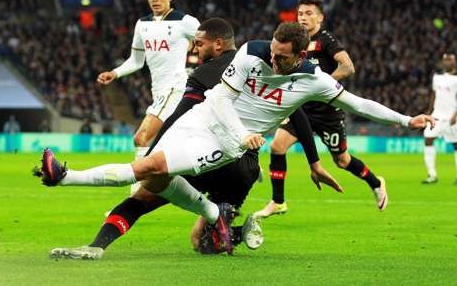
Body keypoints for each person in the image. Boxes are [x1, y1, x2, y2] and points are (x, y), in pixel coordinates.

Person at [38, 22, 435, 257]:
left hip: (227, 146)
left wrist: (406, 119)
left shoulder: (313, 79)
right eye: (273, 53)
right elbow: (223, 100)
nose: (272, 61)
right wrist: (243, 131)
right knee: (153, 182)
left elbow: (359, 103)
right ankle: (217, 218)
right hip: (208, 121)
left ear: (299, 55)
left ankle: (62, 176)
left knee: (149, 169)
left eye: (282, 57)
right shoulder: (251, 54)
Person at [255, 0, 389, 217]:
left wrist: (322, 84)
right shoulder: (293, 43)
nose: (303, 17)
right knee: (277, 147)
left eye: (309, 13)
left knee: (342, 161)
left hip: (328, 113)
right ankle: (278, 201)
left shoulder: (325, 40)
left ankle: (376, 183)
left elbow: (348, 67)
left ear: (320, 17)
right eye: (300, 13)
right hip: (302, 110)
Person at [96, 0, 200, 163]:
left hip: (175, 89)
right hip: (158, 91)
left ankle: (138, 189)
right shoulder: (142, 24)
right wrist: (114, 73)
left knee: (141, 138)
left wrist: (199, 64)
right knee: (173, 145)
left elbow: (208, 44)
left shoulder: (186, 22)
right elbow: (136, 61)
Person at [422, 53, 457, 184]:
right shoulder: (437, 78)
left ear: (455, 62)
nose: (447, 62)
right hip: (436, 116)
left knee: (456, 145)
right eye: (445, 60)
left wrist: (456, 115)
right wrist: (429, 111)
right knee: (428, 139)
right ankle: (432, 175)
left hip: (451, 117)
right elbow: (433, 95)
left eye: (450, 60)